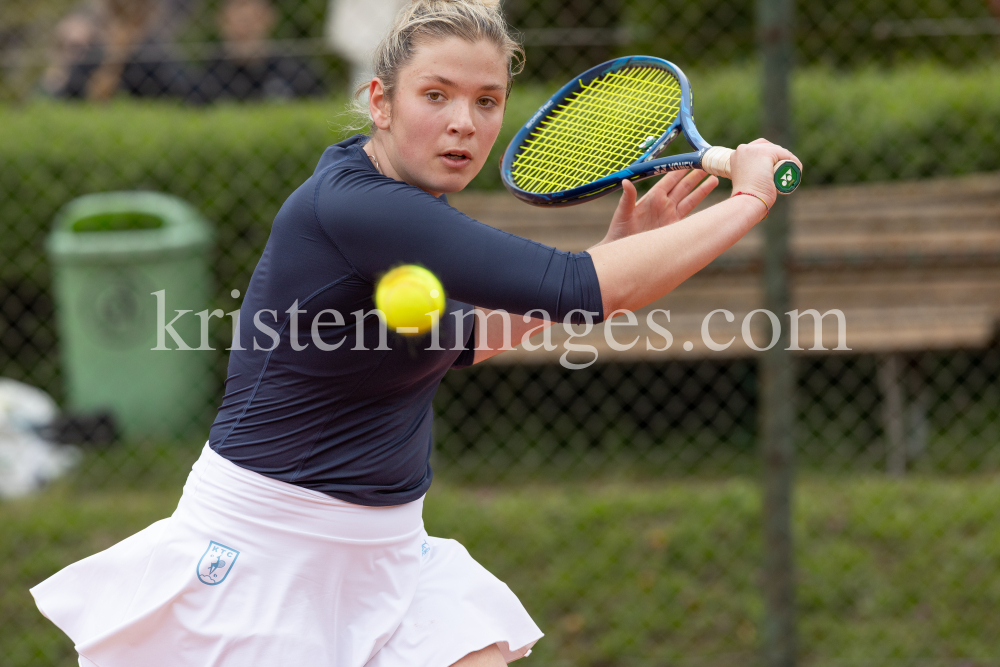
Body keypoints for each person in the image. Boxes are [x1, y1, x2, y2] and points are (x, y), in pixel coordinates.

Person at [30, 1, 800, 666]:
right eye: (437, 95)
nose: (465, 122)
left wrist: (609, 261)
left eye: (488, 100)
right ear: (381, 101)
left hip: (390, 552)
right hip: (267, 553)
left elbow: (472, 334)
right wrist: (750, 201)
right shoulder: (362, 206)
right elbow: (577, 293)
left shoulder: (403, 209)